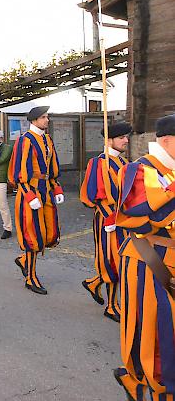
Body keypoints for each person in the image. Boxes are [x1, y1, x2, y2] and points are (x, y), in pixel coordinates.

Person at [112, 114, 175, 401]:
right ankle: (143, 382)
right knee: (156, 332)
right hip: (150, 258)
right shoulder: (139, 169)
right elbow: (144, 213)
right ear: (167, 140)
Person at [8, 106, 64, 295]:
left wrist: (56, 187)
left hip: (46, 190)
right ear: (34, 120)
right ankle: (30, 277)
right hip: (30, 191)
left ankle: (24, 261)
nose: (47, 120)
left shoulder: (47, 139)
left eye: (47, 116)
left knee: (48, 233)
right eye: (43, 117)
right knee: (33, 236)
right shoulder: (25, 141)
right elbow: (19, 170)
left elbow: (52, 165)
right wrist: (28, 194)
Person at [80, 122, 132, 323]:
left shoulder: (123, 163)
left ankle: (94, 283)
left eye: (126, 137)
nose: (126, 140)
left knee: (121, 258)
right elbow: (92, 195)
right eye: (121, 137)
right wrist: (109, 216)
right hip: (107, 219)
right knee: (111, 260)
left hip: (122, 220)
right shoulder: (99, 163)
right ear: (109, 140)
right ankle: (111, 306)